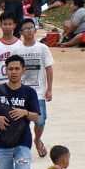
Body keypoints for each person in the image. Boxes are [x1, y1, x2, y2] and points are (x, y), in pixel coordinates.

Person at [16, 18, 53, 158]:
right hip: (22, 91)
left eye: (31, 28)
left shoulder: (43, 48)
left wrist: (49, 89)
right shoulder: (17, 49)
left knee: (40, 120)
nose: (29, 30)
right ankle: (22, 147)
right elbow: (13, 70)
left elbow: (49, 68)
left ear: (35, 30)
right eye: (26, 28)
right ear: (21, 32)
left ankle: (37, 139)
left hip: (38, 92)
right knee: (21, 121)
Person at [0, 12, 21, 83]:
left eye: (10, 24)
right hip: (0, 86)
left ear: (14, 25)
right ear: (0, 25)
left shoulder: (21, 44)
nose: (7, 27)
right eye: (5, 24)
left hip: (17, 85)